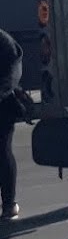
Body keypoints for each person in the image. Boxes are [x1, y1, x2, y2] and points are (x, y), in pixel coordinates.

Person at [1, 27, 24, 221]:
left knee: (2, 151)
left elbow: (11, 75)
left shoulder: (5, 43)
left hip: (3, 106)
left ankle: (9, 203)